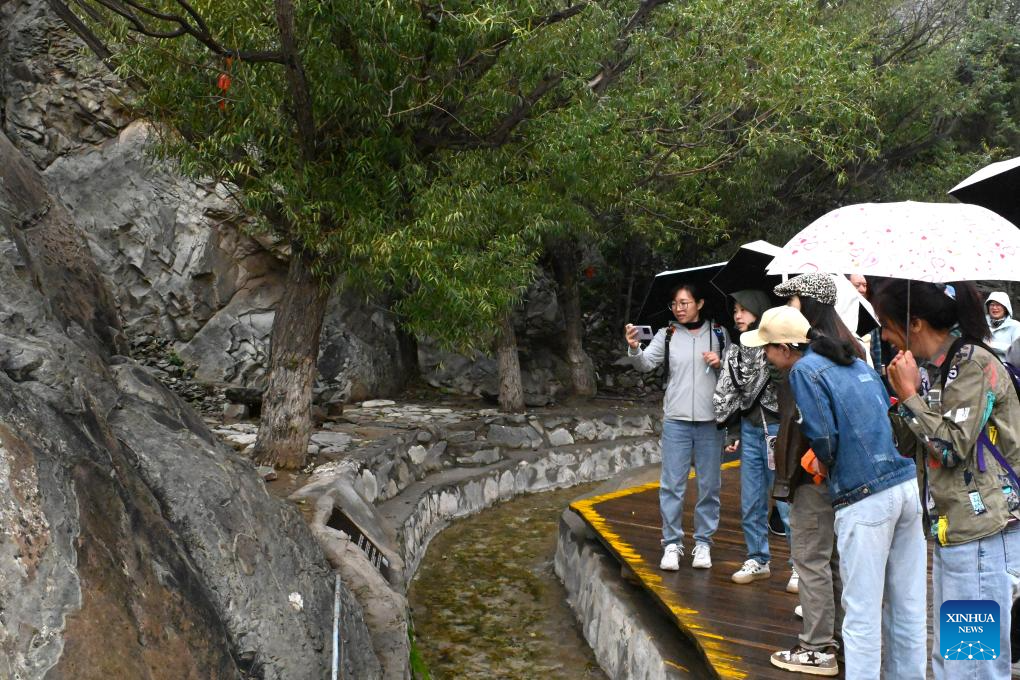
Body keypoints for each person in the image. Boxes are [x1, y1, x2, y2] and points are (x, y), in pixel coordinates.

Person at [746, 305, 927, 680]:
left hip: (864, 495)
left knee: (860, 611)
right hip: (905, 482)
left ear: (784, 347)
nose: (765, 355)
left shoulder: (805, 371)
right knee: (907, 606)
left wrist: (825, 462)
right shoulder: (855, 360)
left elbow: (824, 434)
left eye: (767, 348)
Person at [873, 279, 1020, 680]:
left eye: (887, 324)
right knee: (955, 657)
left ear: (914, 322)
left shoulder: (973, 363)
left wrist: (910, 398)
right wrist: (905, 395)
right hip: (955, 531)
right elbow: (910, 446)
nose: (884, 335)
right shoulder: (938, 369)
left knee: (973, 664)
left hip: (982, 536)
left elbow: (951, 447)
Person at [768, 273, 867, 676]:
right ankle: (841, 640)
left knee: (811, 558)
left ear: (806, 305)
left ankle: (816, 647)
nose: (788, 309)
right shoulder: (851, 348)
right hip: (850, 478)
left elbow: (813, 426)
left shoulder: (808, 361)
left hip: (816, 475)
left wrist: (811, 462)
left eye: (792, 301)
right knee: (835, 560)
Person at [625, 283, 728, 571]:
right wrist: (635, 349)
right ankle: (671, 543)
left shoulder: (719, 333)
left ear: (700, 303)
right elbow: (645, 364)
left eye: (685, 302)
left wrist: (720, 363)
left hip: (712, 422)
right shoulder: (667, 334)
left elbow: (733, 374)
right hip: (676, 421)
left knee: (709, 485)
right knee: (672, 485)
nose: (679, 308)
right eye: (675, 303)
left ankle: (703, 543)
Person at [712, 289, 794, 584]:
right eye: (735, 310)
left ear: (759, 312)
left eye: (744, 309)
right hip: (750, 430)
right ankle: (758, 559)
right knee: (751, 499)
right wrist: (732, 430)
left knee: (785, 499)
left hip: (777, 430)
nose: (738, 315)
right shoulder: (734, 352)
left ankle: (798, 565)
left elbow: (792, 389)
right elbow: (728, 392)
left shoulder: (779, 346)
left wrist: (777, 371)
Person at [985, 291, 1020, 360]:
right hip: (981, 366)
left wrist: (992, 345)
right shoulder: (981, 324)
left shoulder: (1016, 326)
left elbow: (1017, 351)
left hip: (1006, 368)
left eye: (998, 305)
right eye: (992, 304)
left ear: (1005, 308)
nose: (994, 308)